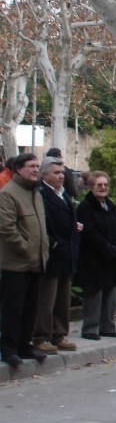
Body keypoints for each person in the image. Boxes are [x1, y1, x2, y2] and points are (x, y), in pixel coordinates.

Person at [0, 153, 49, 366]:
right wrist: (26, 248)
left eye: (38, 166)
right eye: (31, 166)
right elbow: (6, 228)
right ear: (19, 169)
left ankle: (25, 346)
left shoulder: (36, 193)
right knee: (13, 308)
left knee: (30, 308)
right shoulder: (8, 193)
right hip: (16, 263)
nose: (36, 169)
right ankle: (9, 349)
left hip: (36, 262)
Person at [33, 156, 81, 354]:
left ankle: (59, 333)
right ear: (44, 174)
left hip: (67, 253)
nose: (61, 176)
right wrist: (52, 243)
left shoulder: (64, 194)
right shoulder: (41, 194)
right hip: (52, 253)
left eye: (62, 172)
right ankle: (40, 336)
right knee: (46, 298)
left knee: (62, 298)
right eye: (56, 172)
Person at [76, 170, 116, 340]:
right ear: (91, 187)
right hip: (94, 257)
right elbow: (89, 231)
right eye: (99, 185)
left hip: (113, 257)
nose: (103, 188)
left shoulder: (112, 206)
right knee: (94, 293)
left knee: (111, 293)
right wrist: (106, 248)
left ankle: (108, 326)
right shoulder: (85, 207)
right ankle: (90, 328)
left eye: (105, 185)